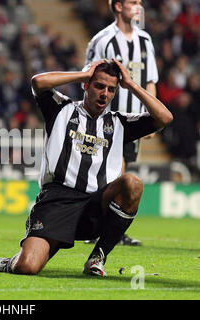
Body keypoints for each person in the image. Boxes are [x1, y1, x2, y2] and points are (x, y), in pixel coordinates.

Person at [0, 59, 172, 276]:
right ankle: (7, 263)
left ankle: (98, 256)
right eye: (98, 86)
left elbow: (165, 117)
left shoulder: (119, 122)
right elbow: (38, 82)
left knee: (133, 183)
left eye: (111, 89)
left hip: (96, 205)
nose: (104, 93)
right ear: (86, 85)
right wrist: (83, 74)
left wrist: (130, 85)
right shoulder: (61, 109)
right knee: (27, 266)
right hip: (58, 200)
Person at [84, 0, 159, 246]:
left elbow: (150, 80)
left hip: (135, 119)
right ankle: (105, 227)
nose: (138, 6)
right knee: (114, 172)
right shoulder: (103, 40)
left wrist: (151, 116)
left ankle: (105, 226)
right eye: (132, 2)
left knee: (121, 173)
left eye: (139, 2)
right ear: (117, 6)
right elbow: (89, 77)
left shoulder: (145, 40)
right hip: (109, 120)